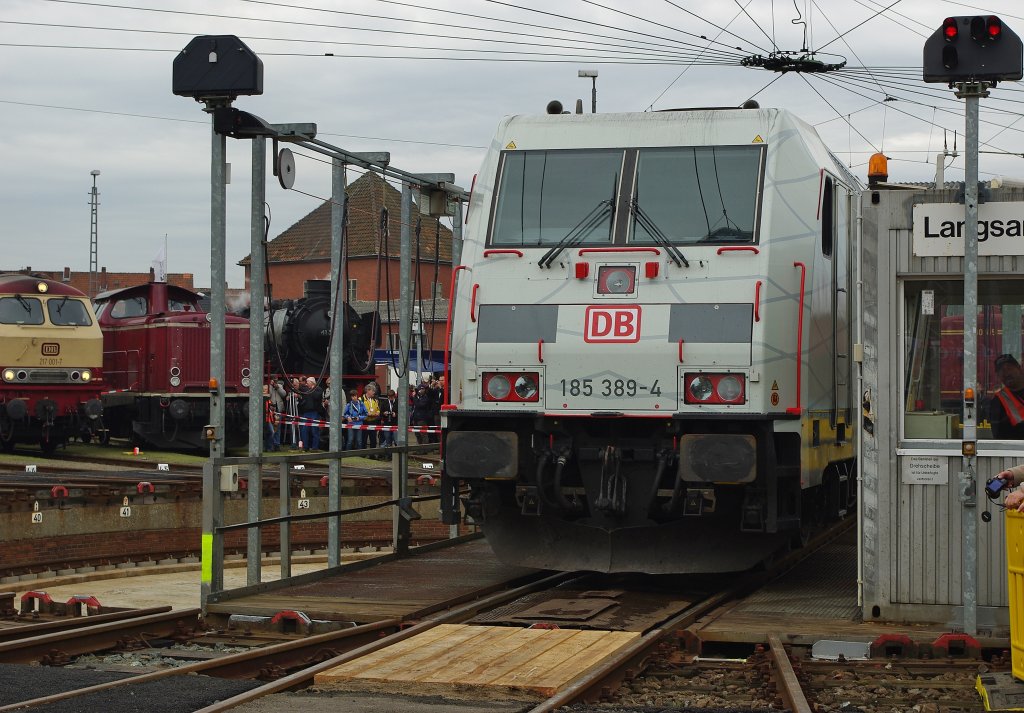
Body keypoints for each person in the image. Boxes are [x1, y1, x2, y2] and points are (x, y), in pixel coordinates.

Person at [988, 354, 1024, 440]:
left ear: (1019, 368)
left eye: (1009, 368)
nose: (1006, 373)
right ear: (998, 376)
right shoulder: (998, 401)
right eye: (1001, 371)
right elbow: (1000, 437)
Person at [299, 376, 323, 451]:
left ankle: (315, 447)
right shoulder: (306, 389)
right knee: (304, 430)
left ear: (312, 383)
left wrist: (312, 389)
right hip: (306, 412)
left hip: (314, 412)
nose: (306, 384)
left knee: (314, 430)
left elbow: (317, 397)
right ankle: (305, 446)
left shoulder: (318, 389)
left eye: (308, 382)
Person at [361, 382, 382, 450]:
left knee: (373, 439)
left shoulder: (375, 400)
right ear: (368, 390)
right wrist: (367, 414)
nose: (374, 392)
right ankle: (363, 454)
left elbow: (378, 409)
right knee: (364, 439)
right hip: (365, 422)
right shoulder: (361, 400)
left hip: (373, 422)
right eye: (373, 391)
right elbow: (359, 411)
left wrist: (377, 413)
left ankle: (372, 455)